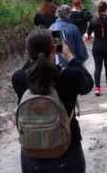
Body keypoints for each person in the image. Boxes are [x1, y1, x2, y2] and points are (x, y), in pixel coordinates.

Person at [12, 29, 94, 172]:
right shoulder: (70, 76)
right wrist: (68, 56)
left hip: (32, 155)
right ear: (54, 49)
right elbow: (88, 84)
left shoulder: (18, 78)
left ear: (28, 52)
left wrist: (34, 54)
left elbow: (30, 68)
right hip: (68, 151)